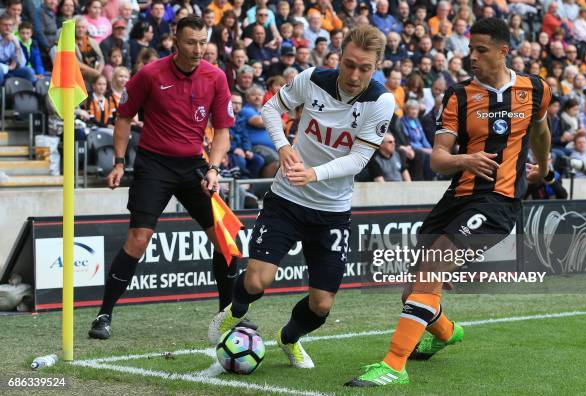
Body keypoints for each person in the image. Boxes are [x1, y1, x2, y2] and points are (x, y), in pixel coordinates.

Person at [345, 17, 553, 387]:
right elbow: (438, 158)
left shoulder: (535, 89)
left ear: (504, 51)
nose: (471, 56)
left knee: (431, 273)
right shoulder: (459, 95)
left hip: (498, 203)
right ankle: (446, 332)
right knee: (413, 290)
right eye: (470, 49)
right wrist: (465, 160)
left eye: (481, 50)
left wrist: (543, 169)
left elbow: (540, 130)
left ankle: (394, 365)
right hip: (456, 198)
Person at [208, 25, 395, 368]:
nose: (354, 75)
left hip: (333, 210)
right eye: (349, 64)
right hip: (287, 198)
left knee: (322, 305)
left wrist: (314, 173)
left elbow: (360, 159)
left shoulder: (381, 102)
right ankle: (235, 312)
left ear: (376, 66)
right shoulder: (312, 79)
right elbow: (269, 109)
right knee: (256, 279)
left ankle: (288, 338)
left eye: (364, 68)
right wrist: (281, 147)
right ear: (339, 56)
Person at [88, 16, 239, 340]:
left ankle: (225, 318)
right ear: (175, 39)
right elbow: (124, 118)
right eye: (191, 42)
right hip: (153, 165)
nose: (198, 49)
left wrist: (213, 168)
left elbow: (223, 131)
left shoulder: (216, 77)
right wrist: (117, 162)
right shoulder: (150, 74)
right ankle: (103, 315)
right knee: (138, 239)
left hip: (194, 166)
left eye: (202, 42)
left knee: (227, 243)